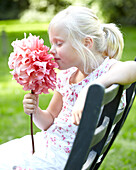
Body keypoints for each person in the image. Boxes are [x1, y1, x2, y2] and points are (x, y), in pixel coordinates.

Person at [0, 5, 136, 170]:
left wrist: (91, 88)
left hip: (63, 159)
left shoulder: (106, 71)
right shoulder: (67, 76)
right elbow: (49, 120)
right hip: (47, 145)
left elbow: (132, 68)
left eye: (59, 43)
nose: (52, 50)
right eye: (52, 43)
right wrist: (35, 110)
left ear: (86, 43)